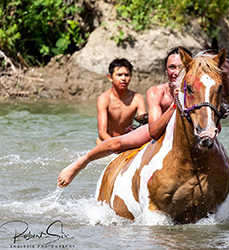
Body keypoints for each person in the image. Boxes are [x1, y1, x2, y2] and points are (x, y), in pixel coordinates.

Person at [57, 47, 193, 188]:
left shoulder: (137, 97)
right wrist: (175, 104)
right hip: (158, 131)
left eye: (182, 67)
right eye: (172, 67)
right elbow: (154, 132)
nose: (177, 72)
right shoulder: (156, 92)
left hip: (182, 132)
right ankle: (80, 163)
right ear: (166, 71)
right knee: (117, 143)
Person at [96, 58, 146, 145]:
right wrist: (118, 145)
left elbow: (144, 127)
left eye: (126, 75)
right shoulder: (104, 99)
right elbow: (102, 133)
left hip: (126, 143)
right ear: (110, 77)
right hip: (106, 143)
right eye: (119, 75)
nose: (123, 78)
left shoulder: (137, 98)